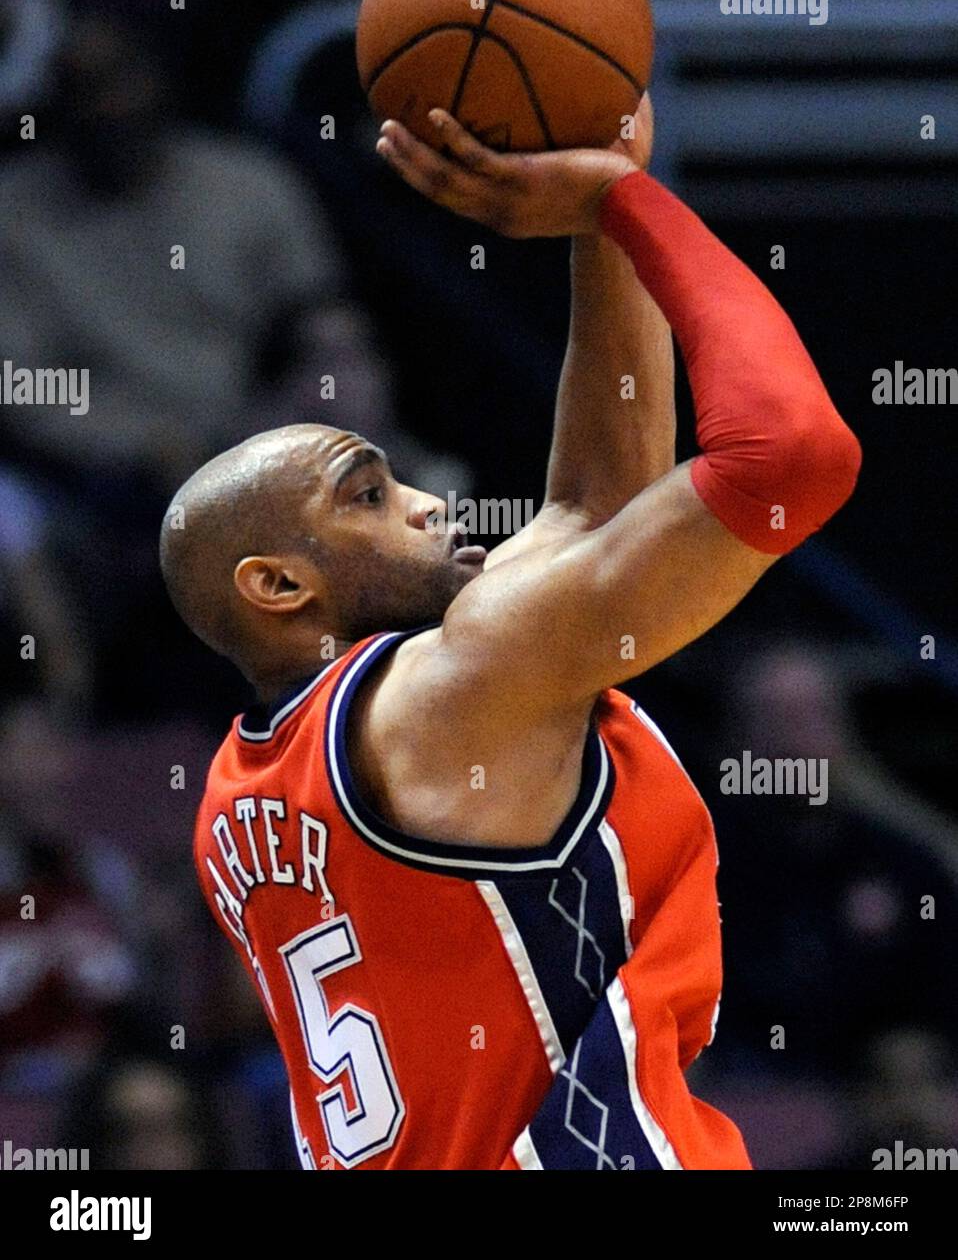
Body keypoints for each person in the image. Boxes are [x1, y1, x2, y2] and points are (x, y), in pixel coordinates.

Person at [161, 95, 860, 1170]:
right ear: (277, 583)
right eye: (368, 495)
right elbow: (794, 458)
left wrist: (598, 208)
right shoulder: (452, 685)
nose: (432, 502)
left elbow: (593, 508)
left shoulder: (237, 797)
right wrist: (635, 202)